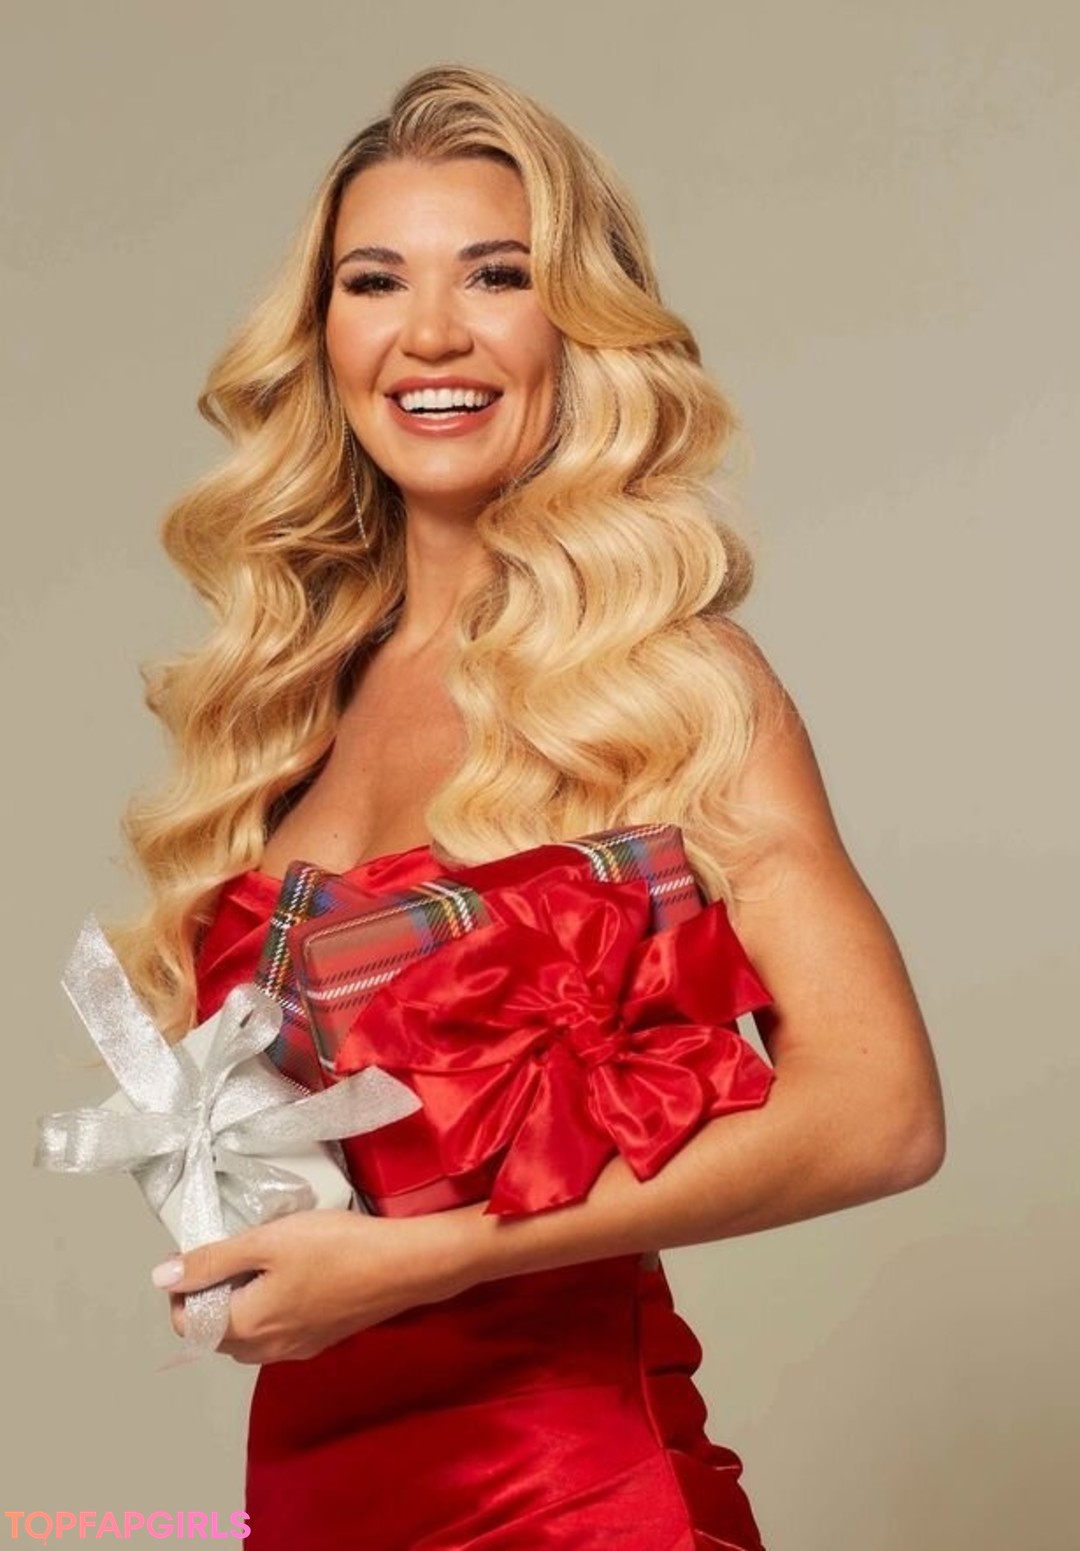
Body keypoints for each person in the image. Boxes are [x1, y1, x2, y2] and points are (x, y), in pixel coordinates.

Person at [109, 63, 946, 1550]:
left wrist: (433, 1258)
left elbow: (881, 1115)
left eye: (497, 276)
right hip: (313, 1494)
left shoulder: (668, 678)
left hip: (570, 1499)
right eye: (376, 281)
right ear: (324, 337)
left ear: (576, 327)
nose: (432, 332)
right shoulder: (293, 694)